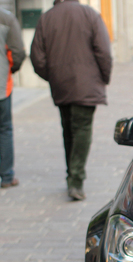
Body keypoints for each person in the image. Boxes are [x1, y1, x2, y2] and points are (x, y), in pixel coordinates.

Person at [30, 0, 112, 201]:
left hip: (61, 84)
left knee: (68, 130)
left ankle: (71, 175)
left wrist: (53, 76)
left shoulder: (46, 18)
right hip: (86, 84)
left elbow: (37, 58)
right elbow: (104, 52)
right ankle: (76, 180)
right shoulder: (90, 15)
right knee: (81, 130)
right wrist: (103, 77)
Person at [0, 8, 25, 189]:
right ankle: (7, 176)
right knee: (5, 129)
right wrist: (10, 69)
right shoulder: (6, 18)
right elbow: (17, 52)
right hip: (1, 85)